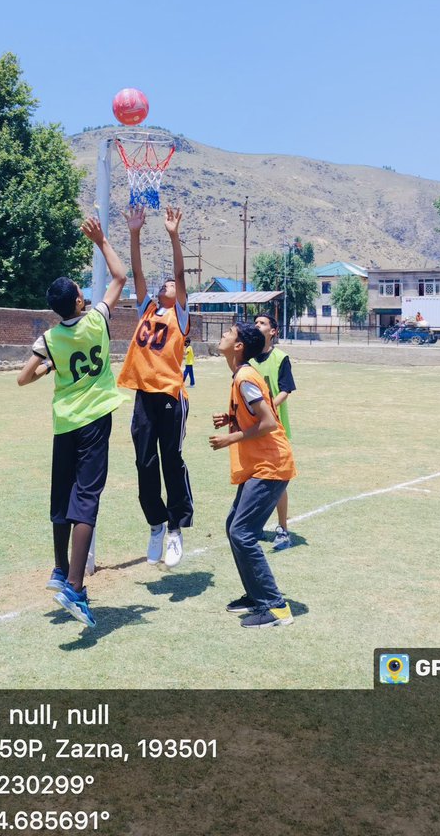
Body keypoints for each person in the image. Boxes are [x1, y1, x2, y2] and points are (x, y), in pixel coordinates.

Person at [17, 215, 127, 629]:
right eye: (82, 291)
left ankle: (60, 569)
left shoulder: (50, 339)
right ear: (80, 303)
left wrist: (49, 369)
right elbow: (119, 276)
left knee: (62, 497)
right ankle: (76, 589)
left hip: (64, 423)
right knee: (86, 500)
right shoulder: (97, 320)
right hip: (95, 418)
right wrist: (101, 241)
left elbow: (23, 377)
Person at [117, 205, 192, 569]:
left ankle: (177, 527)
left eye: (176, 285)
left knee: (171, 461)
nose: (172, 284)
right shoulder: (147, 309)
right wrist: (135, 233)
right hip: (144, 396)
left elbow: (179, 271)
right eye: (168, 284)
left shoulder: (180, 314)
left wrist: (173, 235)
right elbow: (138, 272)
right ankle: (156, 525)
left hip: (171, 397)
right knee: (144, 463)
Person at [210, 322, 296, 628]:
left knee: (242, 533)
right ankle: (255, 594)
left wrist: (229, 438)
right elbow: (253, 413)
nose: (222, 335)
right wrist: (231, 418)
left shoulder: (245, 376)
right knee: (234, 526)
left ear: (238, 347)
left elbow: (269, 422)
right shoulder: (241, 375)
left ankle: (275, 607)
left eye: (228, 333)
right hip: (260, 466)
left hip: (270, 466)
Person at [252, 313, 297, 550]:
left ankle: (283, 529)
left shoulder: (280, 357)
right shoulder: (247, 359)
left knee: (278, 481)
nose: (257, 325)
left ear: (273, 331)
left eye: (263, 323)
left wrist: (267, 408)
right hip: (252, 429)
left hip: (276, 428)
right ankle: (255, 523)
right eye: (255, 322)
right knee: (253, 478)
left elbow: (286, 389)